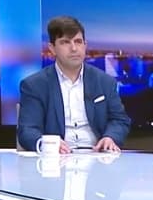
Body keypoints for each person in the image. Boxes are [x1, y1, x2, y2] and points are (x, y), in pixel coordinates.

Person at [17, 16, 131, 153]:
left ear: (85, 45)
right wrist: (47, 144)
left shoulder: (105, 82)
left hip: (98, 156)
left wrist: (110, 137)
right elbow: (27, 130)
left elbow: (119, 120)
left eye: (78, 41)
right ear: (52, 48)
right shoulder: (34, 85)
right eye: (65, 42)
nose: (74, 48)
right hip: (55, 159)